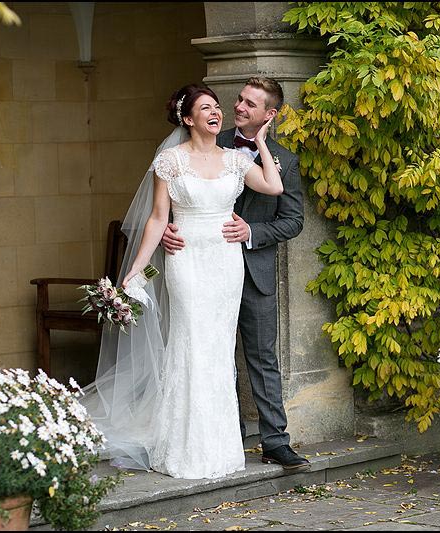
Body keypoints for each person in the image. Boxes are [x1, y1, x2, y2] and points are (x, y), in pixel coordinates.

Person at [80, 83, 283, 480]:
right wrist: (136, 270)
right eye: (205, 108)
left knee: (218, 351)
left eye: (217, 106)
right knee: (190, 343)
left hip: (226, 264)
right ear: (188, 119)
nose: (216, 112)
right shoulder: (170, 161)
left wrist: (260, 140)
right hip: (186, 261)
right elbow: (158, 218)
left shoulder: (236, 160)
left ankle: (219, 448)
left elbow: (274, 187)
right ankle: (183, 448)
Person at [161, 77, 309, 471]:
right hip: (200, 267)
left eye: (250, 104)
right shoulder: (209, 138)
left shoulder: (284, 160)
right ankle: (224, 437)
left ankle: (276, 442)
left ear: (270, 114)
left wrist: (251, 232)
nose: (239, 107)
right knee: (211, 351)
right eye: (240, 99)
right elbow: (172, 197)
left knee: (262, 357)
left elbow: (293, 221)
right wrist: (168, 229)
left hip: (253, 270)